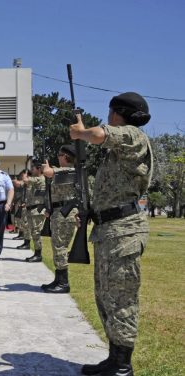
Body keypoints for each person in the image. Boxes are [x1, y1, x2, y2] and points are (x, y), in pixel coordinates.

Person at [71, 92, 152, 376]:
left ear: (118, 113)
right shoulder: (118, 151)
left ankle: (122, 366)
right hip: (109, 230)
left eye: (109, 112)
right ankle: (114, 357)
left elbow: (99, 134)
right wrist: (91, 210)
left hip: (125, 232)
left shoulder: (133, 135)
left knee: (122, 299)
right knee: (106, 296)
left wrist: (81, 132)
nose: (106, 117)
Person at [40, 145, 78, 294]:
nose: (58, 156)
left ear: (67, 157)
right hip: (59, 212)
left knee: (60, 246)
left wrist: (46, 167)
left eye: (60, 154)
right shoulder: (63, 172)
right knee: (57, 245)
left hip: (65, 213)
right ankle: (58, 279)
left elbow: (48, 172)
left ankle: (63, 282)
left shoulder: (69, 170)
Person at [23, 159, 47, 262]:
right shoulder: (36, 179)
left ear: (38, 169)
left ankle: (38, 254)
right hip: (33, 210)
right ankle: (37, 253)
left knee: (36, 232)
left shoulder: (41, 179)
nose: (31, 170)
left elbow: (26, 180)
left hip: (37, 210)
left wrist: (25, 174)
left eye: (33, 168)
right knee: (34, 232)